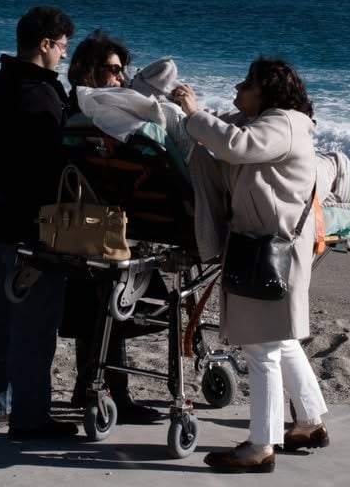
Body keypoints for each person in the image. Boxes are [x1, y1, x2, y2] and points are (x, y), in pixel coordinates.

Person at [173, 57, 329, 474]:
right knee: (279, 337)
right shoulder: (272, 121)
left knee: (262, 349)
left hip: (268, 249)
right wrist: (196, 116)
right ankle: (310, 421)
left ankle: (260, 446)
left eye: (246, 84)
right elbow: (230, 131)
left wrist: (193, 113)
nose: (237, 91)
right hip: (275, 248)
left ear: (268, 91)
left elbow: (235, 146)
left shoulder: (282, 124)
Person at [0, 5, 79, 439]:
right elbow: (55, 163)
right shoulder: (40, 97)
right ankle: (31, 417)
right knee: (34, 325)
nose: (64, 57)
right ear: (45, 45)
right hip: (31, 228)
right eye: (62, 48)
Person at [61, 30, 161, 424]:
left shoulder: (72, 108)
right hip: (104, 224)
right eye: (114, 70)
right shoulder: (106, 116)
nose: (121, 79)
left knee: (95, 305)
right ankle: (112, 391)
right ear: (89, 70)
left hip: (77, 221)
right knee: (112, 305)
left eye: (123, 71)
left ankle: (90, 385)